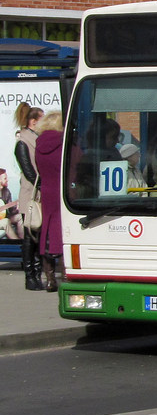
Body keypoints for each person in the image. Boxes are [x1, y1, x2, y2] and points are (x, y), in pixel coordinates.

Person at [13, 102, 45, 290]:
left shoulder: (35, 139)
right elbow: (29, 172)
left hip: (38, 194)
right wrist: (43, 185)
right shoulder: (23, 143)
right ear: (33, 121)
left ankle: (37, 272)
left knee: (38, 236)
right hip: (31, 195)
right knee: (30, 235)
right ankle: (30, 275)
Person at [34, 110, 64, 292]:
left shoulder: (39, 144)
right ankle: (66, 275)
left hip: (47, 190)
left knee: (47, 232)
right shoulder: (63, 143)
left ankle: (50, 278)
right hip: (63, 190)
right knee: (63, 232)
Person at [1, 168, 15, 241]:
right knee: (5, 222)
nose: (7, 180)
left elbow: (11, 210)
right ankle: (16, 242)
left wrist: (17, 208)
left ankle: (24, 241)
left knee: (19, 217)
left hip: (5, 217)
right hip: (3, 220)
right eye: (5, 178)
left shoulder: (6, 191)